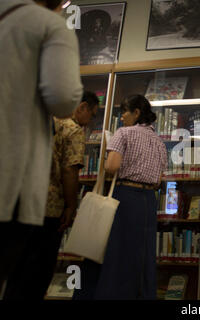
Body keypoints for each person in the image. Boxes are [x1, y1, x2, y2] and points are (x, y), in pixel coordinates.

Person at [0, 0, 83, 291]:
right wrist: (71, 205)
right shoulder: (49, 25)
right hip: (13, 185)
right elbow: (63, 99)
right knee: (29, 277)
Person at [3, 92, 99, 300]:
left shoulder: (41, 121)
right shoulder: (73, 130)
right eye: (91, 115)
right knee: (38, 270)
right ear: (81, 107)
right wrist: (71, 206)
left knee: (17, 269)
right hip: (49, 208)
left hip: (19, 203)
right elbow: (69, 171)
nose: (89, 120)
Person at [73, 94, 167, 300]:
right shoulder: (159, 142)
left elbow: (112, 166)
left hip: (125, 197)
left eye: (125, 111)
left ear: (136, 112)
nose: (122, 116)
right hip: (148, 201)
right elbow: (159, 180)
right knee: (141, 255)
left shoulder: (123, 133)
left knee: (114, 252)